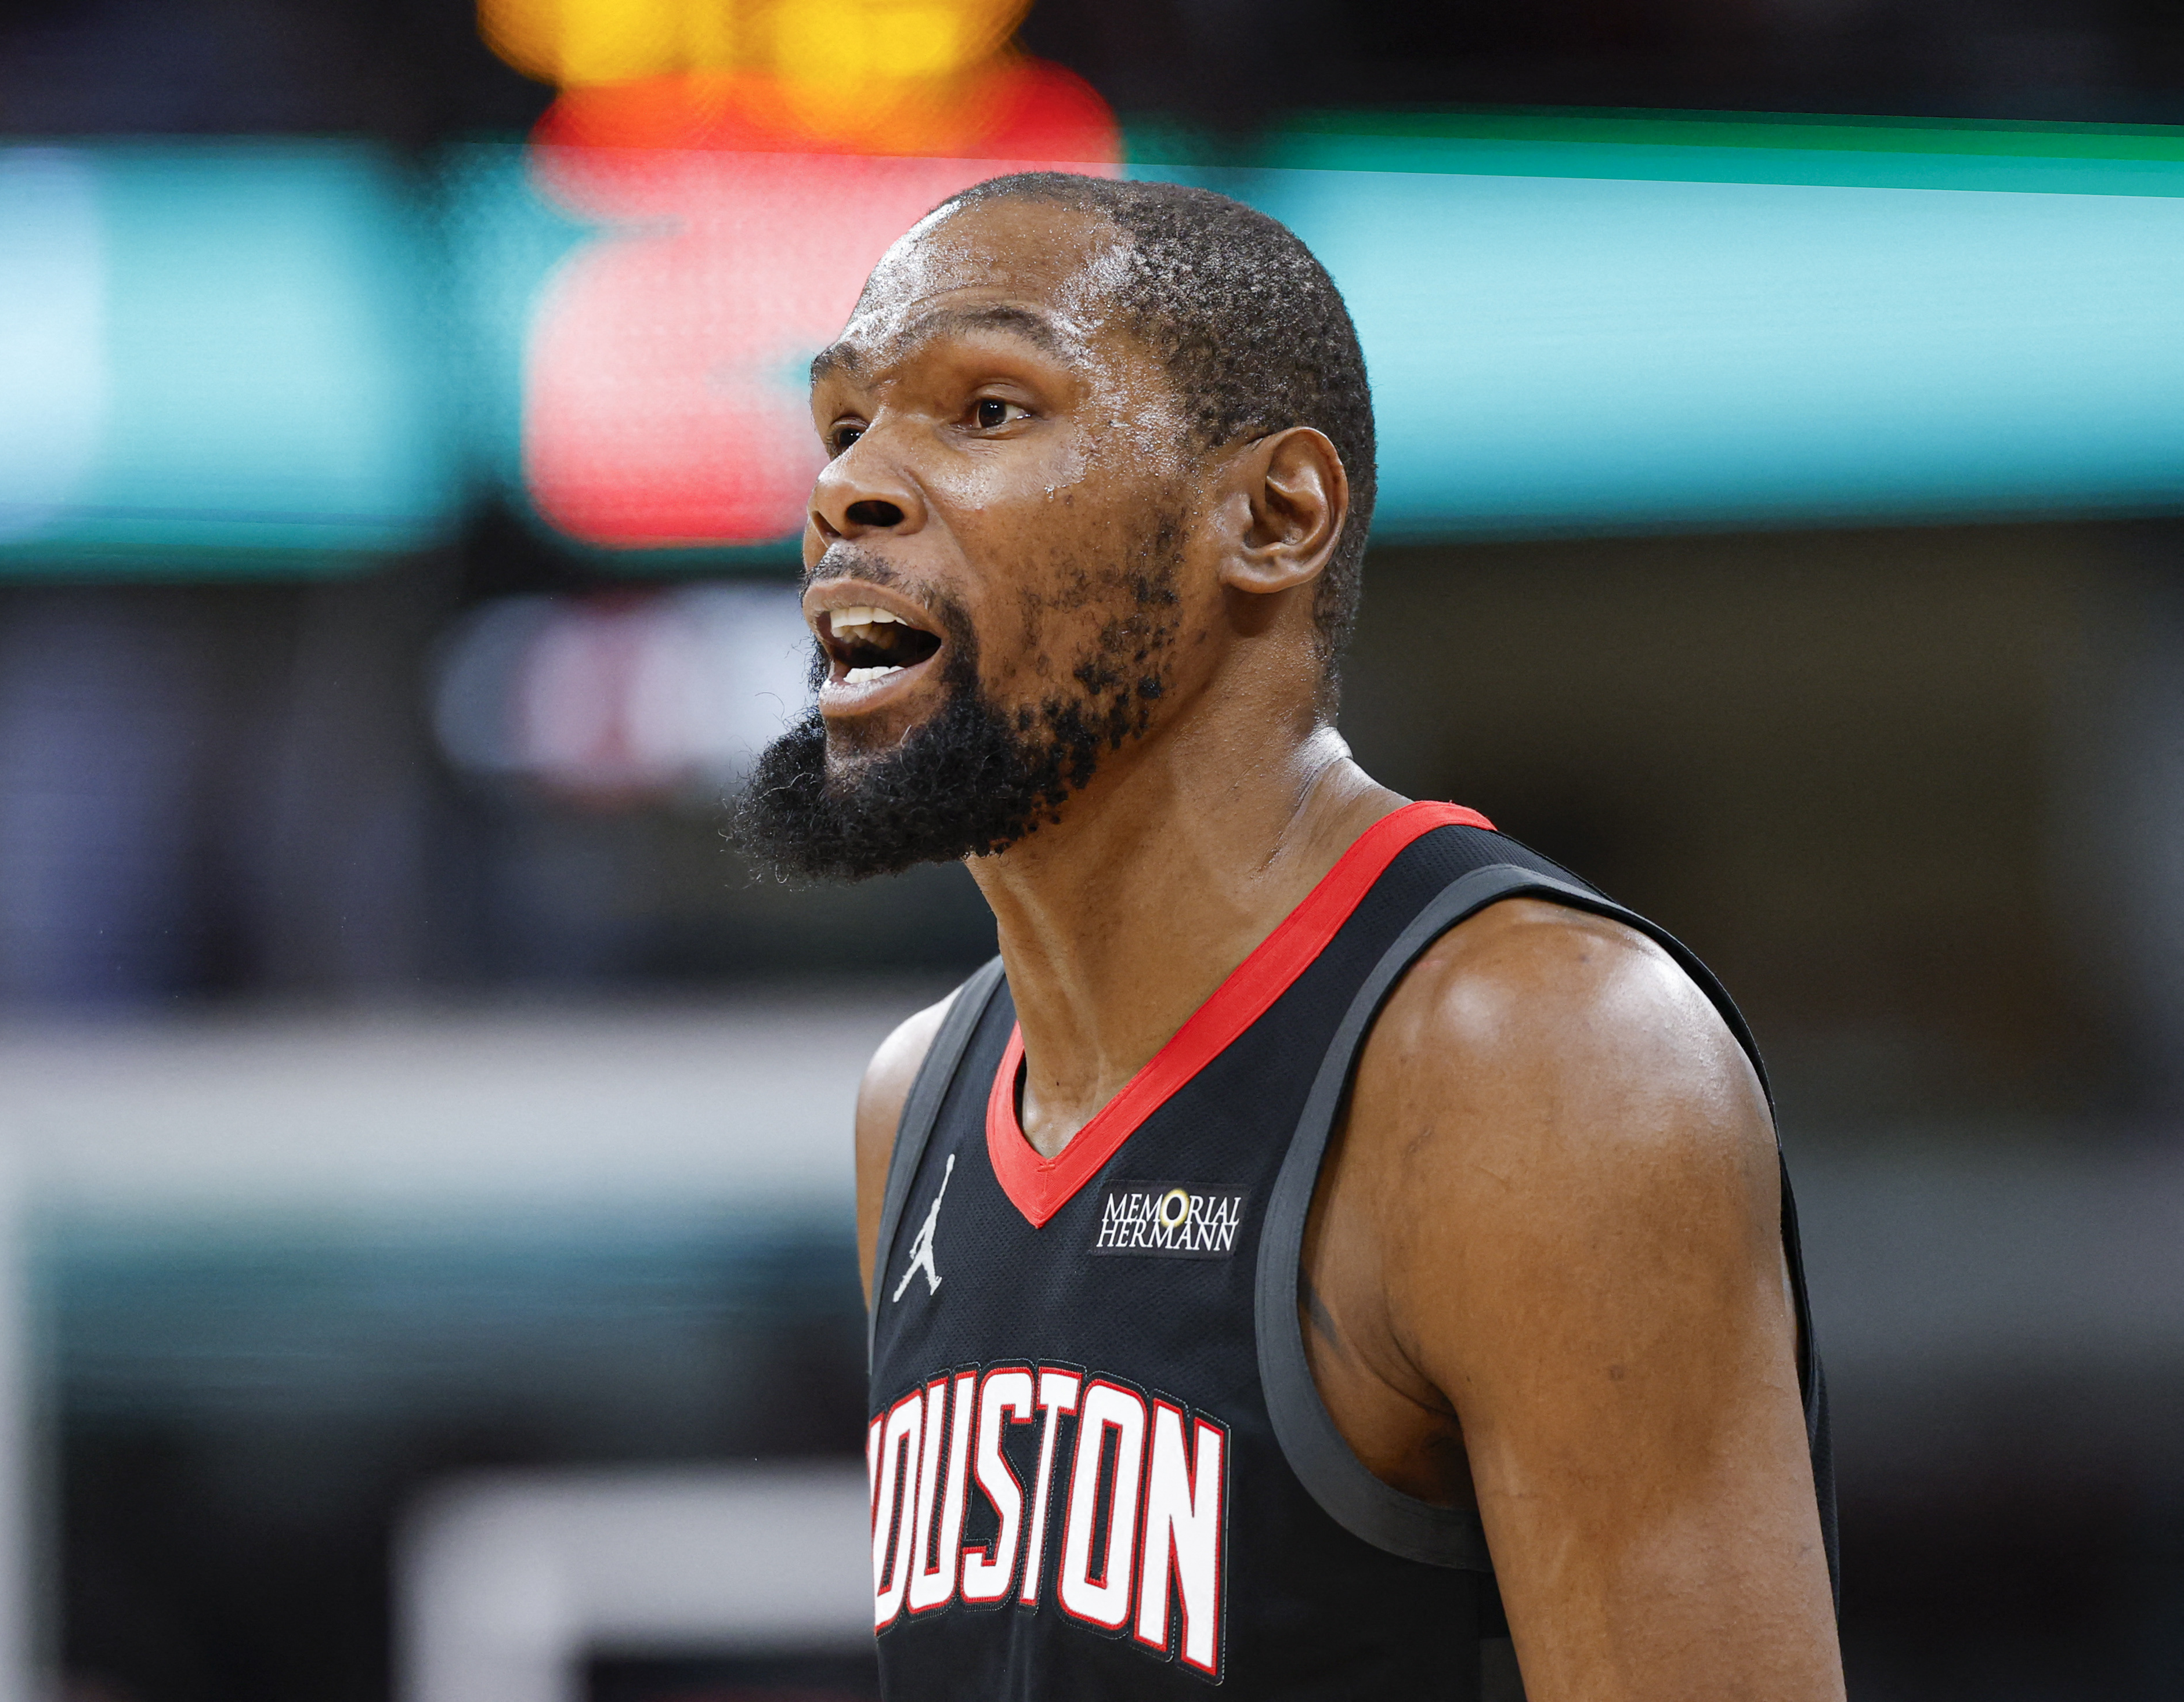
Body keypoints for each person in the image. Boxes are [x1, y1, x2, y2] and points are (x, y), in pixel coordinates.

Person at [733, 172, 1841, 1700]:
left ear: (1270, 515)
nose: (847, 487)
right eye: (845, 421)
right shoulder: (916, 1107)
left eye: (986, 407)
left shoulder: (1536, 1057)